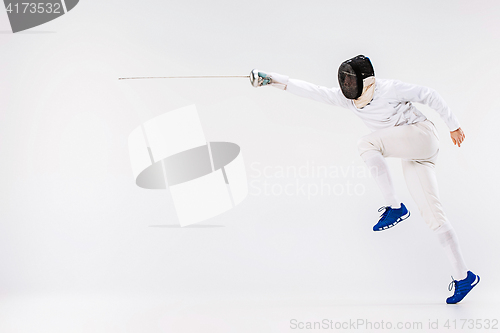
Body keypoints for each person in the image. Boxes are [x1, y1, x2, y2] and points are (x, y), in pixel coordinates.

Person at [251, 55, 479, 304]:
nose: (347, 86)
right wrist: (271, 80)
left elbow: (429, 94)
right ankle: (463, 277)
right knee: (434, 217)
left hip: (422, 136)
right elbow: (312, 91)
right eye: (344, 80)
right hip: (413, 154)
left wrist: (453, 125)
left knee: (366, 143)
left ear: (366, 81)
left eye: (351, 80)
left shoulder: (390, 89)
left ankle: (395, 207)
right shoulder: (347, 100)